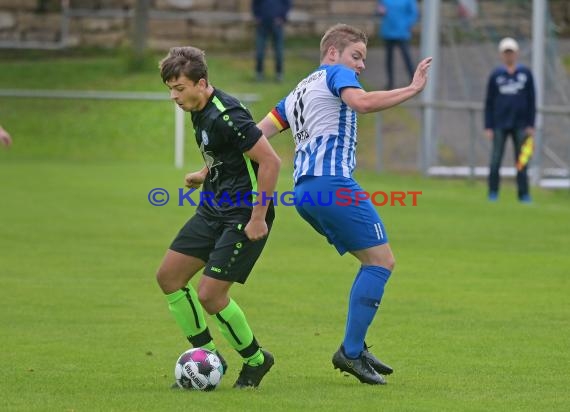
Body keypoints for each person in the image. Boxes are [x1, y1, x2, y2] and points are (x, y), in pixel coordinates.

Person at [256, 24, 431, 385]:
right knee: (382, 262)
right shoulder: (336, 74)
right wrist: (413, 89)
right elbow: (361, 103)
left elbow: (255, 136)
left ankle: (355, 348)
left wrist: (208, 166)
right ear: (333, 54)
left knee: (373, 262)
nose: (361, 65)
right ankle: (350, 353)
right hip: (333, 185)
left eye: (363, 59)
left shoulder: (298, 91)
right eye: (357, 56)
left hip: (305, 193)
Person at [157, 46, 281, 389]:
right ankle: (209, 357)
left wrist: (258, 217)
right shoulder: (198, 108)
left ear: (202, 83)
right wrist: (203, 172)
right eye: (170, 89)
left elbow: (270, 162)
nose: (174, 96)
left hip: (244, 214)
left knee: (210, 295)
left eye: (179, 88)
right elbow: (226, 154)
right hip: (213, 206)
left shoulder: (229, 116)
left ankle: (257, 360)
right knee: (169, 277)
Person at [484, 37, 535, 203]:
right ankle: (493, 193)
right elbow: (489, 101)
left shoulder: (525, 74)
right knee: (495, 159)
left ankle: (523, 194)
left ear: (516, 53)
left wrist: (531, 124)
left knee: (522, 160)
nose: (509, 55)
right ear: (501, 55)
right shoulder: (496, 75)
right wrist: (488, 126)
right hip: (499, 123)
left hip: (521, 124)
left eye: (511, 52)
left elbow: (532, 99)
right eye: (506, 53)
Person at [377, 0, 419, 90]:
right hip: (388, 32)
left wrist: (406, 24)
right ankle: (390, 83)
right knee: (389, 60)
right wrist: (380, 12)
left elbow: (414, 13)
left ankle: (414, 80)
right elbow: (379, 10)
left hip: (402, 32)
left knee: (407, 57)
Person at [252, 0, 291, 82]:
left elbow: (287, 4)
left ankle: (279, 74)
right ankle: (259, 73)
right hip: (262, 24)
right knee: (260, 51)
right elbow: (255, 4)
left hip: (277, 24)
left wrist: (282, 18)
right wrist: (257, 17)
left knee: (278, 51)